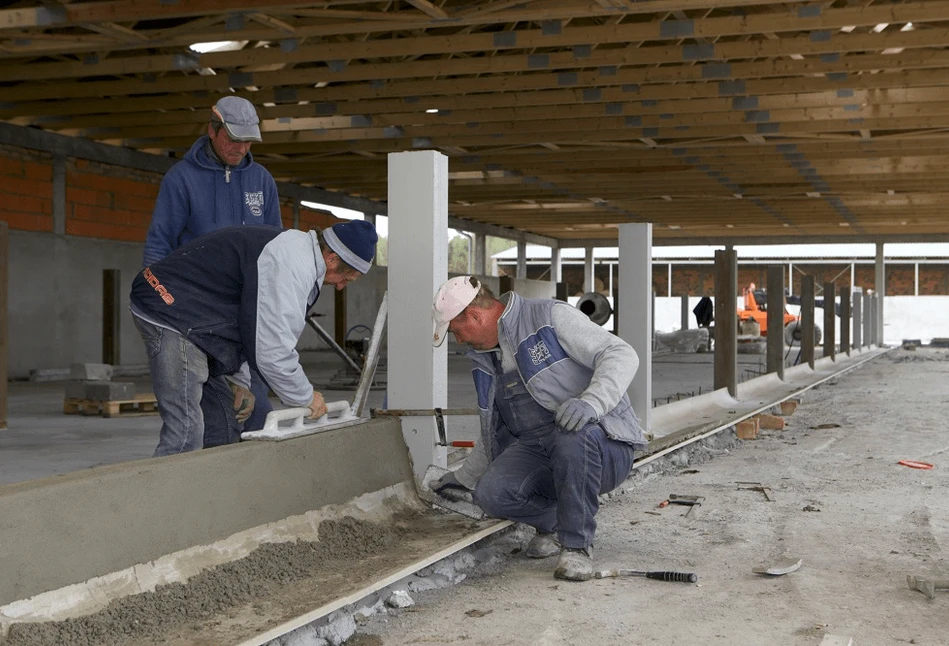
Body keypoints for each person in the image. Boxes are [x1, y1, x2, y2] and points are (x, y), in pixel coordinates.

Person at [430, 276, 647, 582]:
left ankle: (577, 546)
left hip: (602, 443)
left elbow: (622, 354)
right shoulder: (485, 359)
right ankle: (559, 523)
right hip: (539, 450)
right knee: (491, 494)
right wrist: (463, 479)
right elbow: (490, 430)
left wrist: (591, 403)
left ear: (474, 316)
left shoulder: (548, 316)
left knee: (572, 436)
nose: (459, 340)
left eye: (456, 331)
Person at [130, 219, 378, 457]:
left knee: (225, 424)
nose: (341, 286)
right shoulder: (292, 263)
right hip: (169, 309)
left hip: (195, 317)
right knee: (185, 433)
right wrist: (305, 397)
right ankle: (162, 497)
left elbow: (250, 323)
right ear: (332, 258)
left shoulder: (301, 257)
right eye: (345, 277)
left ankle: (213, 493)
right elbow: (273, 350)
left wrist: (240, 381)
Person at [143, 95, 283, 435]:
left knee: (257, 413)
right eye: (233, 139)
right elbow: (159, 244)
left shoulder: (262, 181)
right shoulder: (182, 179)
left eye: (248, 141)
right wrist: (159, 306)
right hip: (194, 313)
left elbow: (277, 248)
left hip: (242, 315)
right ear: (212, 129)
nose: (241, 148)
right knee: (206, 420)